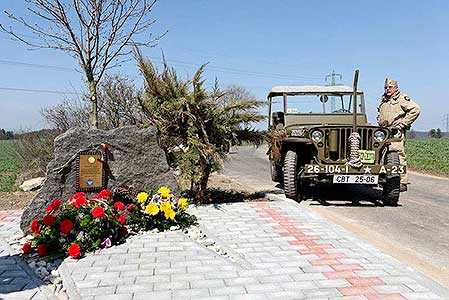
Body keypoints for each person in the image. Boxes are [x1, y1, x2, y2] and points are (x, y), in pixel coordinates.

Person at [377, 78, 420, 192]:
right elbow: (379, 112)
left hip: (395, 132)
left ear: (396, 88)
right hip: (384, 132)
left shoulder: (401, 98)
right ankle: (388, 179)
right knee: (382, 155)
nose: (387, 89)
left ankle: (402, 182)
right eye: (386, 87)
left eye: (390, 87)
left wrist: (404, 123)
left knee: (397, 155)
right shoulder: (384, 99)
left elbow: (415, 109)